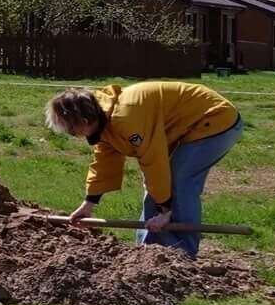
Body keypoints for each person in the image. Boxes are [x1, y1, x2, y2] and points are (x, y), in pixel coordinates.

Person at [48, 81, 244, 257]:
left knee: (179, 182)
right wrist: (89, 204)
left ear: (84, 121)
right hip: (185, 125)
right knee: (157, 189)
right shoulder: (104, 118)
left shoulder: (126, 118)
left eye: (72, 130)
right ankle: (147, 252)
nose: (74, 135)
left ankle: (183, 255)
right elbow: (104, 162)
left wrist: (166, 210)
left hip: (215, 119)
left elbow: (154, 162)